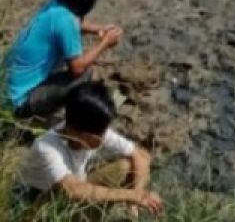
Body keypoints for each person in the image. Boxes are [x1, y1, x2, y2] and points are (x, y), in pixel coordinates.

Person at [19, 81, 163, 215]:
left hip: (77, 187)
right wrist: (132, 195)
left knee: (127, 166)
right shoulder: (46, 147)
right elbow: (73, 190)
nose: (104, 136)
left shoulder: (90, 130)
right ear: (74, 132)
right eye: (99, 134)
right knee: (73, 191)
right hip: (46, 206)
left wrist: (136, 198)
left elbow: (141, 156)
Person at [4, 0, 121, 119]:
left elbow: (75, 24)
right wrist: (105, 43)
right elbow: (77, 68)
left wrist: (99, 29)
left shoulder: (56, 4)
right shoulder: (67, 22)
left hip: (6, 87)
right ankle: (68, 122)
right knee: (84, 75)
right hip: (19, 102)